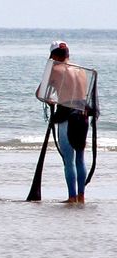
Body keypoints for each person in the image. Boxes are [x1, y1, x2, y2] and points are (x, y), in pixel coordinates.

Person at [43, 41, 92, 203]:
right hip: (82, 116)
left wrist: (50, 100)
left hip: (67, 117)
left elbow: (41, 93)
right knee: (80, 158)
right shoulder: (81, 70)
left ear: (54, 55)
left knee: (68, 160)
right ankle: (81, 196)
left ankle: (71, 197)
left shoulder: (55, 69)